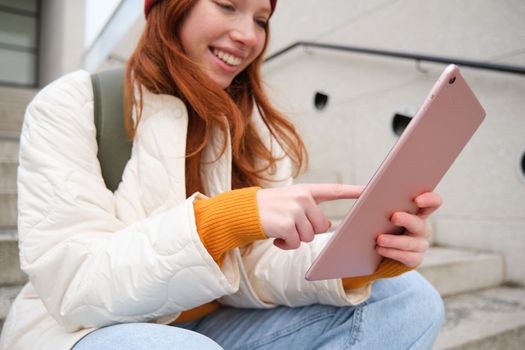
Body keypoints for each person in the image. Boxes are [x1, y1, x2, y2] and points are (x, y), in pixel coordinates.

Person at [0, 0, 445, 349]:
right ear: (172, 6)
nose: (248, 35)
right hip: (84, 332)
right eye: (227, 5)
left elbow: (257, 268)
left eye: (262, 18)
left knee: (409, 300)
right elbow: (74, 285)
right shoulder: (73, 104)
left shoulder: (250, 130)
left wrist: (359, 260)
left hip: (217, 327)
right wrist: (222, 220)